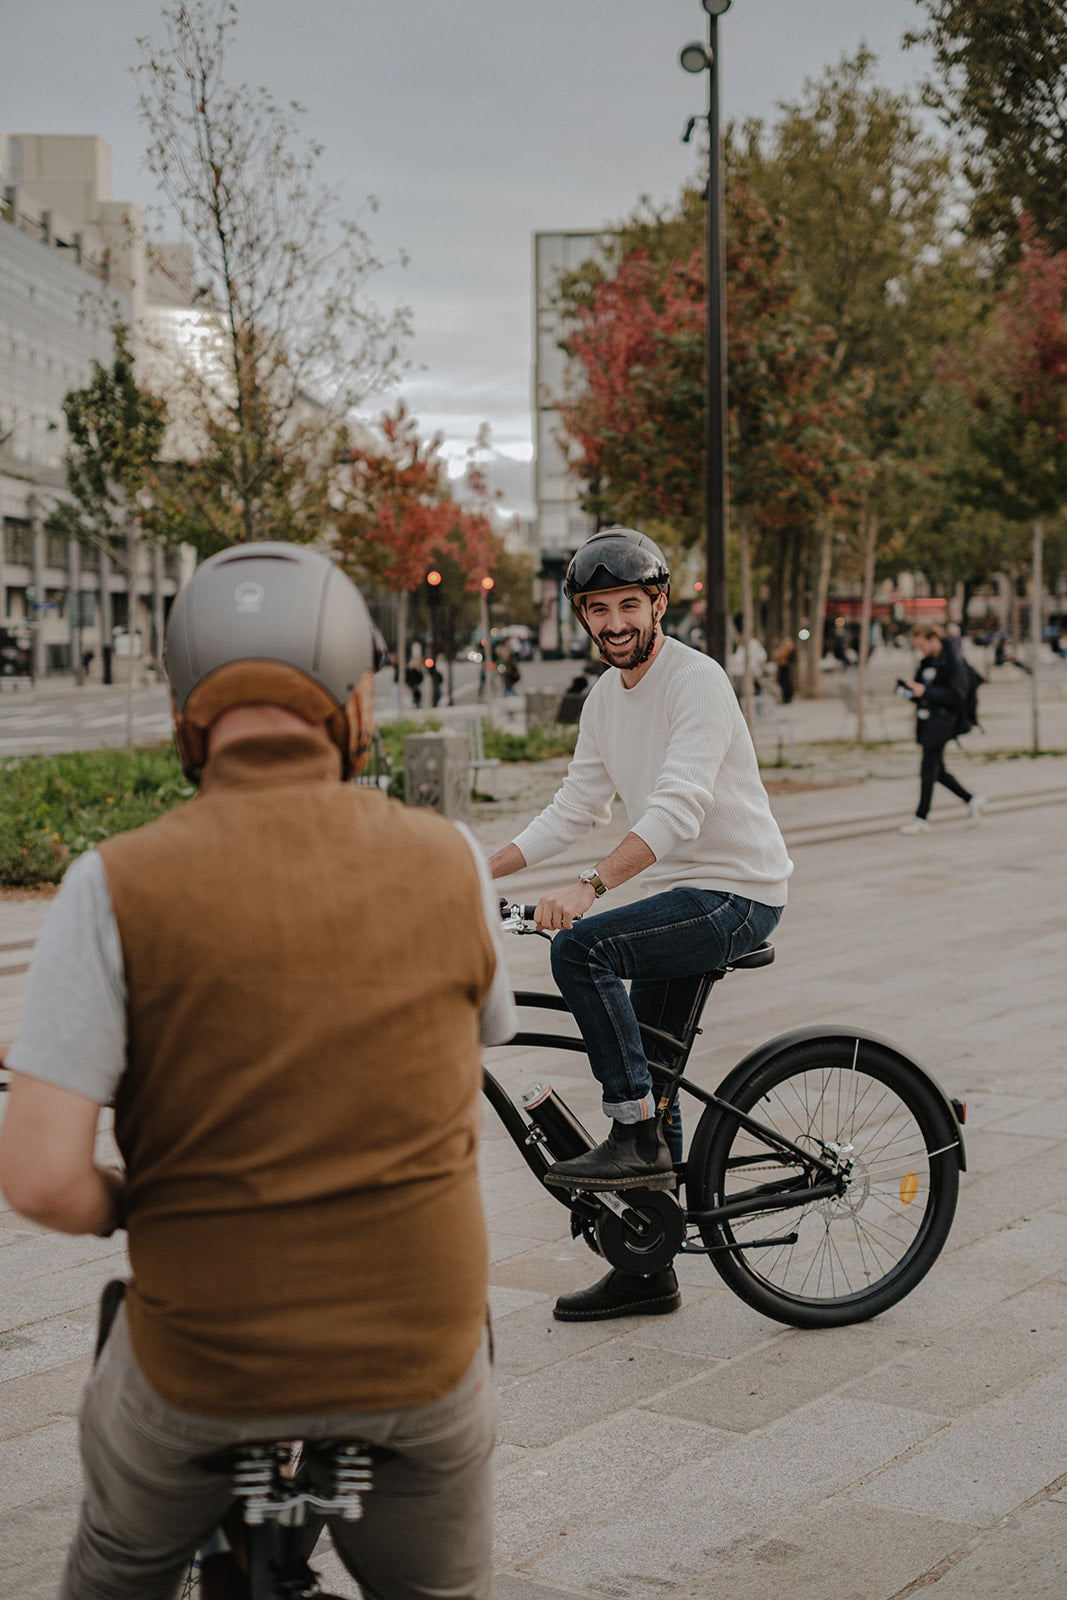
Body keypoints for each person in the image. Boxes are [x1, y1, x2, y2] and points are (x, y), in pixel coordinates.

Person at [0, 542, 516, 1600]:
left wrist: (145, 1201)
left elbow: (42, 1179)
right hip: (419, 1358)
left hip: (202, 1367)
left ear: (186, 706)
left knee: (117, 1561)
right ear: (353, 701)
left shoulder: (111, 886)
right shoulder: (450, 860)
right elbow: (483, 1037)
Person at [488, 527, 792, 1322]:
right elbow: (575, 807)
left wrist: (589, 886)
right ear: (582, 618)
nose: (614, 622)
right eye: (598, 609)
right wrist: (476, 870)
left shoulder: (697, 682)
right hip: (685, 891)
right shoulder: (602, 699)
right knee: (654, 1070)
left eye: (629, 604)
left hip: (738, 891)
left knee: (584, 949)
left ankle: (631, 1133)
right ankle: (646, 1263)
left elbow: (679, 807)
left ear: (658, 604)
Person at [898, 622, 984, 835]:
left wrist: (925, 692)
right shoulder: (926, 662)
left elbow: (956, 696)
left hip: (944, 723)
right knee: (938, 771)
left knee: (928, 770)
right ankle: (972, 799)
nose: (920, 649)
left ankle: (921, 818)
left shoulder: (954, 662)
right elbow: (922, 691)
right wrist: (909, 690)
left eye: (921, 644)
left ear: (933, 639)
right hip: (927, 721)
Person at [772, 635, 796, 704]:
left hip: (785, 665)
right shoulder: (787, 645)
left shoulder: (787, 645)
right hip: (784, 665)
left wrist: (777, 652)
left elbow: (780, 654)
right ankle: (786, 697)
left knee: (785, 681)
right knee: (784, 681)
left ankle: (787, 697)